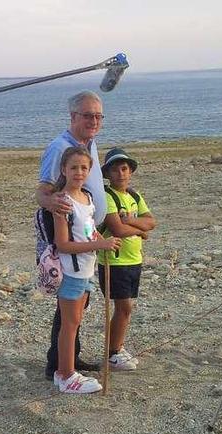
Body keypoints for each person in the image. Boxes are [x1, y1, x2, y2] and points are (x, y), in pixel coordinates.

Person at [37, 91, 107, 380]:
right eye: (88, 115)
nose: (94, 120)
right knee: (69, 304)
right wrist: (54, 204)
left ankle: (71, 358)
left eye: (98, 116)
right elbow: (43, 191)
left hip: (87, 236)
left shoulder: (87, 144)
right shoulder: (60, 148)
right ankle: (60, 366)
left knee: (79, 303)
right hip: (69, 242)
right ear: (73, 117)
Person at [51, 147, 120, 393]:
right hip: (71, 271)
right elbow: (63, 244)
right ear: (63, 170)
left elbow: (87, 230)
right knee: (69, 325)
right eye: (73, 168)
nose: (79, 172)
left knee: (75, 321)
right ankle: (68, 376)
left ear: (90, 171)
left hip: (86, 270)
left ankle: (62, 372)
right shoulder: (63, 202)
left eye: (83, 168)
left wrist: (99, 238)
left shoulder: (87, 198)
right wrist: (100, 244)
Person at [96, 148, 157, 371]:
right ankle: (112, 353)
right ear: (108, 174)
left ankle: (117, 348)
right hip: (114, 262)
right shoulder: (107, 196)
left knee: (126, 308)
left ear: (130, 171)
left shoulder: (134, 195)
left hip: (134, 260)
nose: (121, 173)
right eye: (115, 169)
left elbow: (151, 222)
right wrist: (139, 230)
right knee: (124, 307)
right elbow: (117, 229)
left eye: (124, 168)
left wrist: (131, 221)